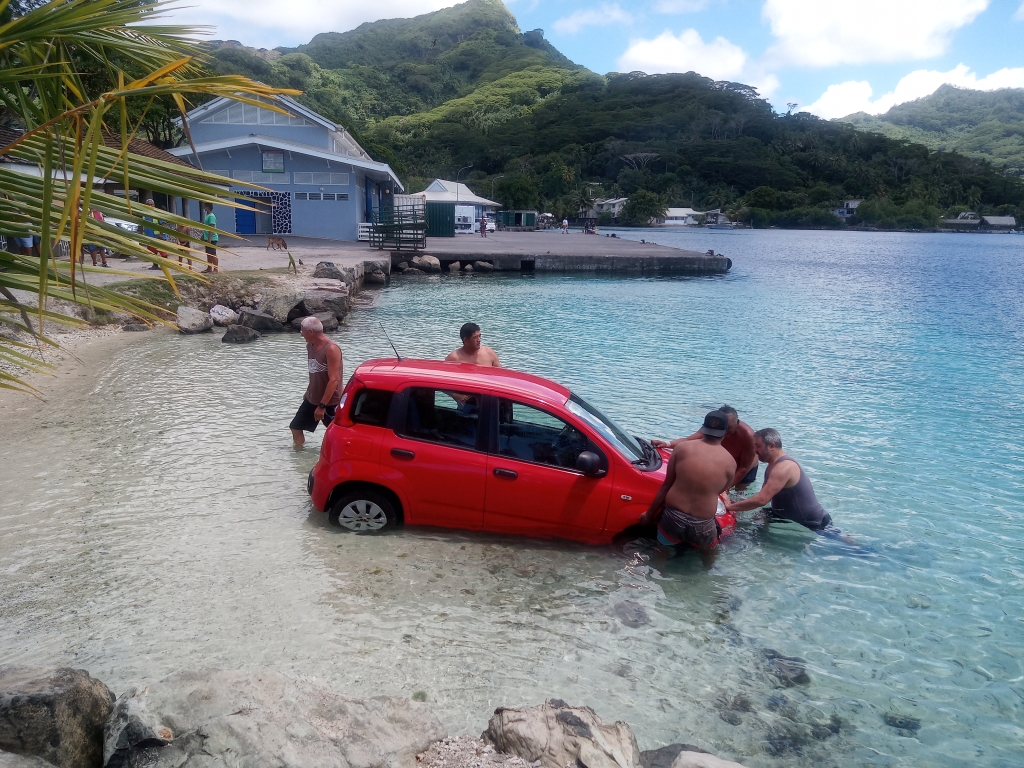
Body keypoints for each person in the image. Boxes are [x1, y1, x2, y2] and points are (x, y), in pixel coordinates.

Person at [639, 410, 736, 559]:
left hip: (673, 517)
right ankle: (706, 577)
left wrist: (650, 514)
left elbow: (666, 485)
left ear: (703, 428)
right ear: (726, 433)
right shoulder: (730, 462)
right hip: (703, 523)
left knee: (662, 551)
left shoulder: (681, 449)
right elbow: (721, 489)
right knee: (708, 556)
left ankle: (657, 577)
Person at [725, 428, 833, 532]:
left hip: (815, 522)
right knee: (760, 516)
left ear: (772, 446)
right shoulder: (772, 465)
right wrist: (737, 504)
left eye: (758, 446)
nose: (755, 450)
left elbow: (762, 500)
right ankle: (762, 545)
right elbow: (763, 496)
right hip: (782, 515)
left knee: (844, 546)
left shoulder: (783, 468)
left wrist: (730, 506)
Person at [653, 404, 758, 490]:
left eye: (729, 427)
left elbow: (743, 468)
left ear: (737, 422)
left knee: (739, 492)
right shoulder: (716, 427)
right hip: (725, 463)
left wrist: (726, 489)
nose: (726, 431)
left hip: (745, 467)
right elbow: (689, 440)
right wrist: (667, 444)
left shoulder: (748, 436)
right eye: (724, 427)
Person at [289, 316, 343, 449]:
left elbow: (334, 380)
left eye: (302, 331)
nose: (301, 334)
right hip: (312, 398)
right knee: (295, 427)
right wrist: (308, 392)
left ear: (311, 332)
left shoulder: (331, 349)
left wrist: (322, 406)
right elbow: (314, 372)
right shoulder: (310, 346)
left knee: (337, 434)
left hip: (329, 401)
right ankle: (300, 457)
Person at [144, 198, 169, 270]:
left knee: (163, 252)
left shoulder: (157, 213)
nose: (150, 206)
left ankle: (165, 266)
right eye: (148, 204)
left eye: (151, 204)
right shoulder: (145, 214)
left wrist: (161, 234)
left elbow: (163, 224)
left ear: (154, 205)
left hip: (159, 237)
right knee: (152, 252)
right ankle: (155, 265)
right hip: (150, 237)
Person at [201, 202, 219, 273]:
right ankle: (209, 268)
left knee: (213, 253)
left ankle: (216, 269)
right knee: (208, 253)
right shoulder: (207, 215)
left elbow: (212, 228)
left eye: (204, 206)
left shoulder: (211, 216)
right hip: (207, 237)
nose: (203, 207)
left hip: (212, 238)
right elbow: (206, 228)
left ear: (207, 207)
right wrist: (203, 236)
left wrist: (209, 239)